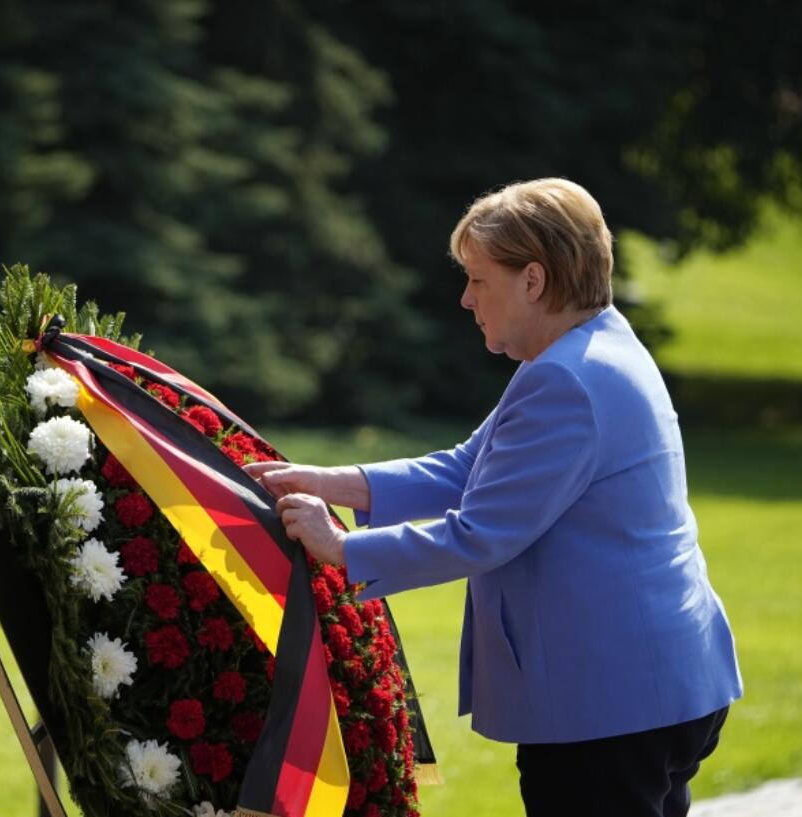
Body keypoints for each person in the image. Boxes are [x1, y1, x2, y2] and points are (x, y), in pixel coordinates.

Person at [245, 178, 742, 817]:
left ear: (532, 280)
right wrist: (328, 481)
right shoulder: (585, 351)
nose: (465, 298)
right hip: (650, 688)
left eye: (478, 279)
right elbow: (469, 468)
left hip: (606, 706)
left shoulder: (566, 377)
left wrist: (341, 547)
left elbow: (480, 532)